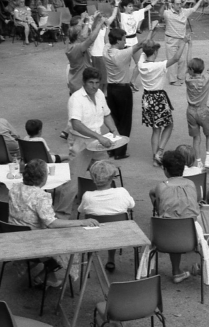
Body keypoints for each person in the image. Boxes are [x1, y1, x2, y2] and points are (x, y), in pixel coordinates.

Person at [9, 159, 99, 287]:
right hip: (32, 241)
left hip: (12, 236)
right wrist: (82, 222)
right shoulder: (41, 196)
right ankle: (45, 274)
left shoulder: (14, 188)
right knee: (73, 243)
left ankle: (46, 274)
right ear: (43, 178)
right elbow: (51, 223)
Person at [57, 67, 119, 220]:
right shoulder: (76, 99)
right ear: (84, 82)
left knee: (107, 174)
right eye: (91, 82)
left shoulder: (99, 95)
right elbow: (76, 124)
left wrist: (114, 130)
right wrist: (99, 137)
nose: (94, 86)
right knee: (73, 181)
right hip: (80, 141)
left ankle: (108, 209)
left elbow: (107, 114)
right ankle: (60, 214)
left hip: (97, 141)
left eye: (97, 82)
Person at [149, 149, 200, 283]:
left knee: (172, 222)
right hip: (192, 238)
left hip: (166, 239)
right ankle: (198, 263)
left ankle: (176, 271)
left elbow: (152, 193)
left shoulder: (161, 187)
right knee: (182, 220)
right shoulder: (191, 184)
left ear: (165, 170)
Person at [138, 37, 190, 166]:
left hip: (147, 99)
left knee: (156, 129)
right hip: (159, 98)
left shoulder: (141, 64)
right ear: (155, 52)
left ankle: (155, 158)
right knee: (169, 125)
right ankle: (159, 152)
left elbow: (144, 53)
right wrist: (183, 43)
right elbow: (176, 58)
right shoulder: (158, 65)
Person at [78, 161, 135, 272]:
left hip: (95, 234)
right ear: (112, 178)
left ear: (93, 179)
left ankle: (91, 259)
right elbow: (132, 205)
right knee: (113, 227)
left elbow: (80, 210)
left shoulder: (87, 196)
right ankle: (111, 258)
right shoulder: (122, 192)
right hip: (119, 233)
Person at [103, 28, 147, 159]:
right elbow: (140, 44)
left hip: (110, 89)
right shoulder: (122, 54)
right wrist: (152, 32)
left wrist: (106, 27)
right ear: (117, 41)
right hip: (123, 89)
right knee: (125, 121)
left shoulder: (106, 50)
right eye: (123, 39)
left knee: (114, 120)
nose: (125, 42)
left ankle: (112, 149)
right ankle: (120, 151)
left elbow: (106, 39)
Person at [185, 39, 209, 170]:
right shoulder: (206, 79)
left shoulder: (187, 79)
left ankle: (198, 162)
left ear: (191, 70)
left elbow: (188, 63)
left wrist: (190, 45)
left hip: (191, 111)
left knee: (196, 137)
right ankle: (208, 159)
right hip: (203, 110)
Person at [161, 0, 204, 85]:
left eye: (180, 4)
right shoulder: (167, 13)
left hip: (182, 40)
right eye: (177, 4)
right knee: (172, 60)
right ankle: (173, 80)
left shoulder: (184, 12)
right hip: (171, 40)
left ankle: (181, 77)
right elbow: (160, 13)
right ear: (172, 4)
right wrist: (162, 2)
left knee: (182, 59)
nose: (179, 6)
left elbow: (194, 9)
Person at [66, 13, 104, 94]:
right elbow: (91, 38)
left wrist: (94, 20)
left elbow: (86, 32)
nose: (85, 32)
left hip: (75, 81)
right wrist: (100, 24)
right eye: (82, 31)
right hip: (80, 84)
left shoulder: (72, 45)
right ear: (78, 35)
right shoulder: (77, 47)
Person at [88, 1, 120, 94]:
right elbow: (93, 26)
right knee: (99, 77)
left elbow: (113, 15)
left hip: (104, 54)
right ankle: (99, 94)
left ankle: (104, 94)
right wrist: (95, 19)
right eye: (100, 17)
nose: (102, 18)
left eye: (102, 17)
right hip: (97, 55)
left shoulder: (106, 26)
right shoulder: (93, 27)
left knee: (106, 77)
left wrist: (117, 4)